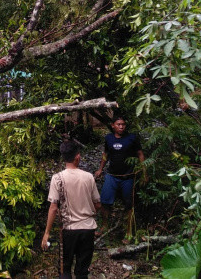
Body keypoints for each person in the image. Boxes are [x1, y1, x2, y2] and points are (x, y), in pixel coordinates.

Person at [42, 140, 101, 279]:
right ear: (78, 156)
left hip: (69, 230)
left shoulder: (57, 179)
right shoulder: (89, 177)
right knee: (82, 270)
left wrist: (46, 233)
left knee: (65, 268)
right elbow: (98, 204)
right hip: (88, 229)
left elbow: (53, 208)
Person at [95, 117, 147, 241]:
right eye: (118, 124)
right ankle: (104, 226)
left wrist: (144, 172)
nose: (121, 127)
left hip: (128, 177)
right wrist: (100, 169)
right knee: (105, 201)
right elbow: (105, 154)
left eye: (123, 124)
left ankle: (129, 233)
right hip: (112, 176)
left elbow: (140, 154)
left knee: (129, 205)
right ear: (113, 125)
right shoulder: (108, 138)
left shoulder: (132, 138)